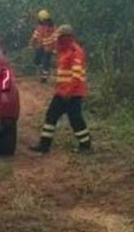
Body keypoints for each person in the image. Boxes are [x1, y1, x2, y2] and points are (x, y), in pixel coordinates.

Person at [29, 24, 91, 153]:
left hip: (72, 93)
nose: (58, 40)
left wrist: (68, 92)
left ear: (66, 37)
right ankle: (44, 145)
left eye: (60, 37)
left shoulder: (75, 52)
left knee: (75, 119)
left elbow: (77, 76)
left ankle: (85, 145)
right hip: (62, 92)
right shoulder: (63, 49)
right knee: (51, 115)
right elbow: (49, 43)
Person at [30, 9, 57, 83]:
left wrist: (55, 48)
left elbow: (55, 38)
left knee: (45, 62)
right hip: (42, 46)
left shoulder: (50, 27)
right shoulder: (46, 26)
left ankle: (44, 77)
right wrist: (32, 43)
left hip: (47, 47)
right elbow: (35, 35)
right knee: (39, 60)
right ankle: (41, 73)